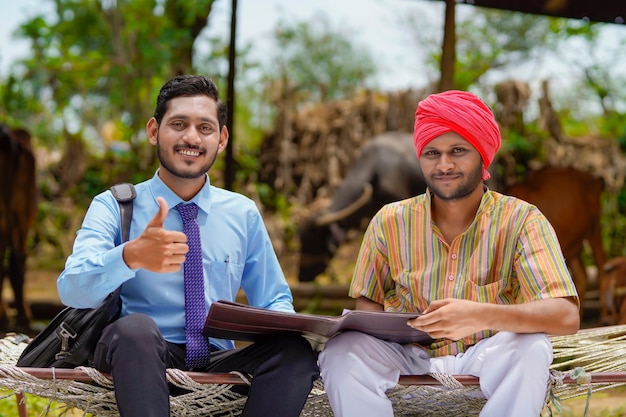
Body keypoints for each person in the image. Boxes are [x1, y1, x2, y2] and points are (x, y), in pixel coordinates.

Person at [57, 74, 319, 417]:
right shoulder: (114, 205)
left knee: (294, 350)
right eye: (178, 124)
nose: (191, 138)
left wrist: (298, 326)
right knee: (136, 329)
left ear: (221, 139)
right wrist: (131, 255)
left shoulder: (243, 213)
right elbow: (71, 288)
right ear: (154, 131)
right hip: (136, 354)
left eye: (205, 128)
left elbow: (273, 299)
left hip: (216, 357)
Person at [318, 90, 580, 417]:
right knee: (342, 351)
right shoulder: (388, 221)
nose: (444, 165)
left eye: (458, 151)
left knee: (532, 348)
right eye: (431, 153)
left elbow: (566, 316)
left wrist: (480, 315)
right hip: (406, 355)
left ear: (483, 155)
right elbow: (366, 312)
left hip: (488, 352)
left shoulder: (522, 219)